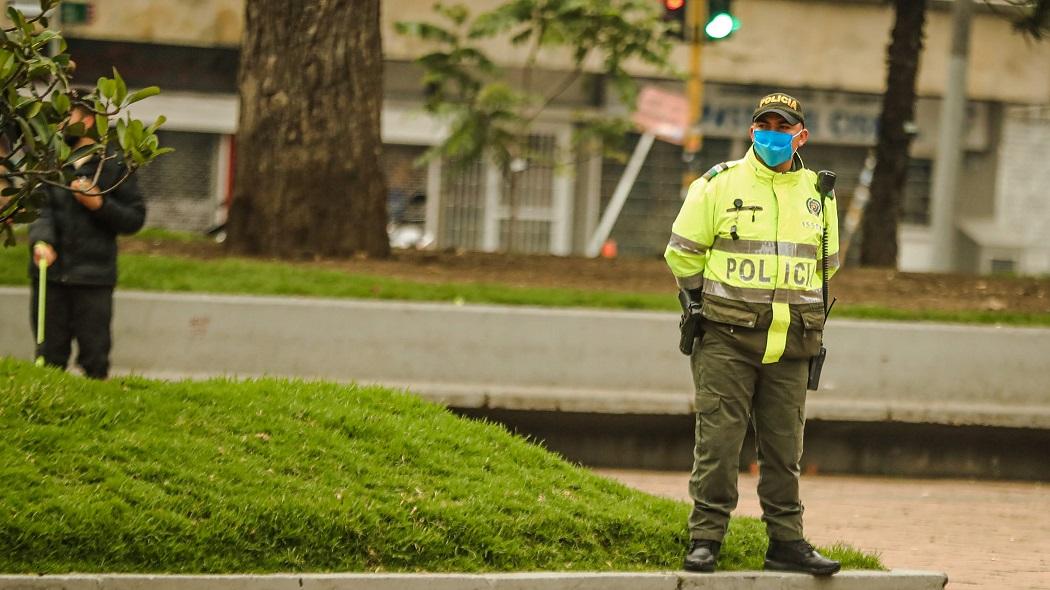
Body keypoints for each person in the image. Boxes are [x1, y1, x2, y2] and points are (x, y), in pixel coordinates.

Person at [664, 92, 841, 575]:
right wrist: (707, 303)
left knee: (785, 452)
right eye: (764, 126)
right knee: (718, 443)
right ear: (751, 132)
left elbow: (827, 268)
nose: (772, 135)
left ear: (800, 136)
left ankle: (786, 543)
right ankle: (706, 539)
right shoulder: (718, 184)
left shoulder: (818, 194)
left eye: (782, 128)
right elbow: (681, 254)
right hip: (727, 338)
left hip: (793, 343)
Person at [27, 95, 146, 379]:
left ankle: (94, 411)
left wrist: (99, 205)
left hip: (94, 278)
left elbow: (134, 218)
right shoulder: (49, 163)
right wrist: (41, 241)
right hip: (50, 275)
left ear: (87, 121)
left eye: (65, 118)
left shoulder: (115, 165)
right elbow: (38, 210)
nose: (58, 125)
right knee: (49, 354)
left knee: (94, 356)